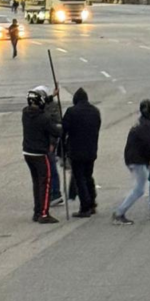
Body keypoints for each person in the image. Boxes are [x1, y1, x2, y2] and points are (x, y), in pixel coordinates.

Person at [112, 100, 150, 225]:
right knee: (139, 190)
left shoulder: (145, 123)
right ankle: (119, 214)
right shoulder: (146, 126)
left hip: (141, 158)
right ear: (149, 112)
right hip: (137, 161)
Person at [22, 88, 62, 224]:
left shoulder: (25, 113)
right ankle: (44, 213)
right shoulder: (43, 118)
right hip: (40, 153)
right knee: (45, 183)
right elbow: (56, 132)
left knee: (36, 183)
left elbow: (42, 103)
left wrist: (51, 96)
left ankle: (37, 211)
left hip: (27, 153)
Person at [62, 88, 101, 218]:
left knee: (80, 179)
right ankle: (92, 202)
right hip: (91, 150)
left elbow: (63, 131)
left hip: (76, 151)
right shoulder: (95, 111)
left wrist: (61, 149)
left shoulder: (71, 112)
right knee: (88, 176)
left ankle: (85, 206)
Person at [33, 85, 63, 206]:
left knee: (51, 168)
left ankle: (55, 193)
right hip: (40, 143)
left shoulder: (51, 107)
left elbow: (56, 126)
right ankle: (49, 192)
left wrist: (52, 143)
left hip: (49, 143)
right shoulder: (43, 105)